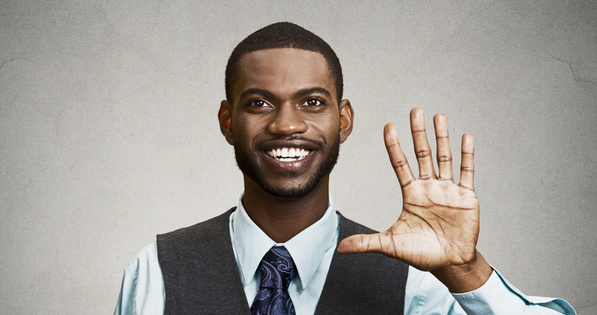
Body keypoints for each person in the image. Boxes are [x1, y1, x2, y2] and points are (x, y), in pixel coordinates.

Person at [114, 22, 575, 315]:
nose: (287, 123)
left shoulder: (415, 283)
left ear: (345, 121)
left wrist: (466, 269)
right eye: (259, 103)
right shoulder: (156, 270)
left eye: (312, 102)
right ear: (227, 122)